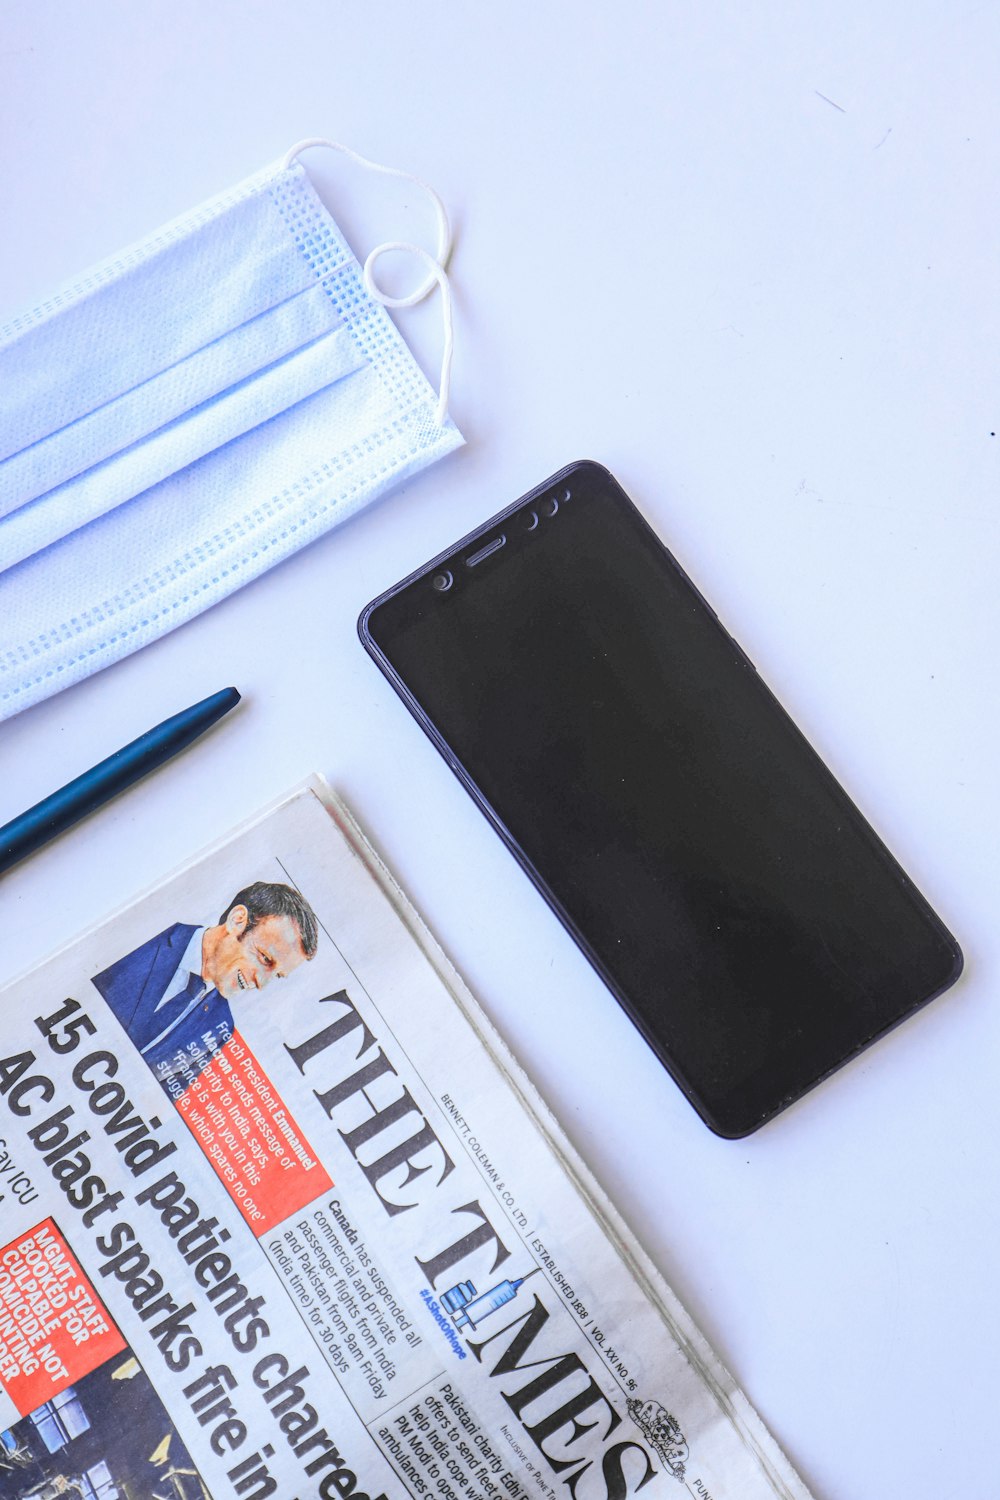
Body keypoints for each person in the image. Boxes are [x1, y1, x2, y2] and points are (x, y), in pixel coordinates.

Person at [92, 881, 319, 1090]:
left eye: (277, 975)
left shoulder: (221, 1027)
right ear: (237, 921)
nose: (261, 983)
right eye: (265, 959)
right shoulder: (153, 932)